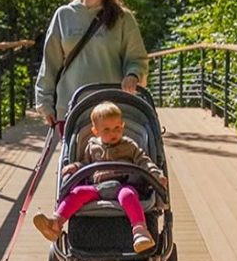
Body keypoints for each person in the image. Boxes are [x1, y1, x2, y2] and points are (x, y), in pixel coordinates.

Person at [34, 0, 149, 131]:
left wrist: (133, 75)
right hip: (72, 107)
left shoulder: (122, 18)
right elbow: (50, 63)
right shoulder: (64, 16)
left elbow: (137, 58)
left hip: (112, 111)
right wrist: (45, 103)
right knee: (73, 157)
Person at [33, 101, 168, 252]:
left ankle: (140, 231)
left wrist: (156, 174)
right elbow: (85, 164)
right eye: (107, 130)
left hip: (123, 185)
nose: (113, 133)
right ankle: (56, 223)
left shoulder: (129, 146)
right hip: (97, 187)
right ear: (96, 131)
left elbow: (144, 161)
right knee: (77, 193)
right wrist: (75, 166)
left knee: (128, 195)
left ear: (123, 126)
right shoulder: (92, 146)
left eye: (117, 128)